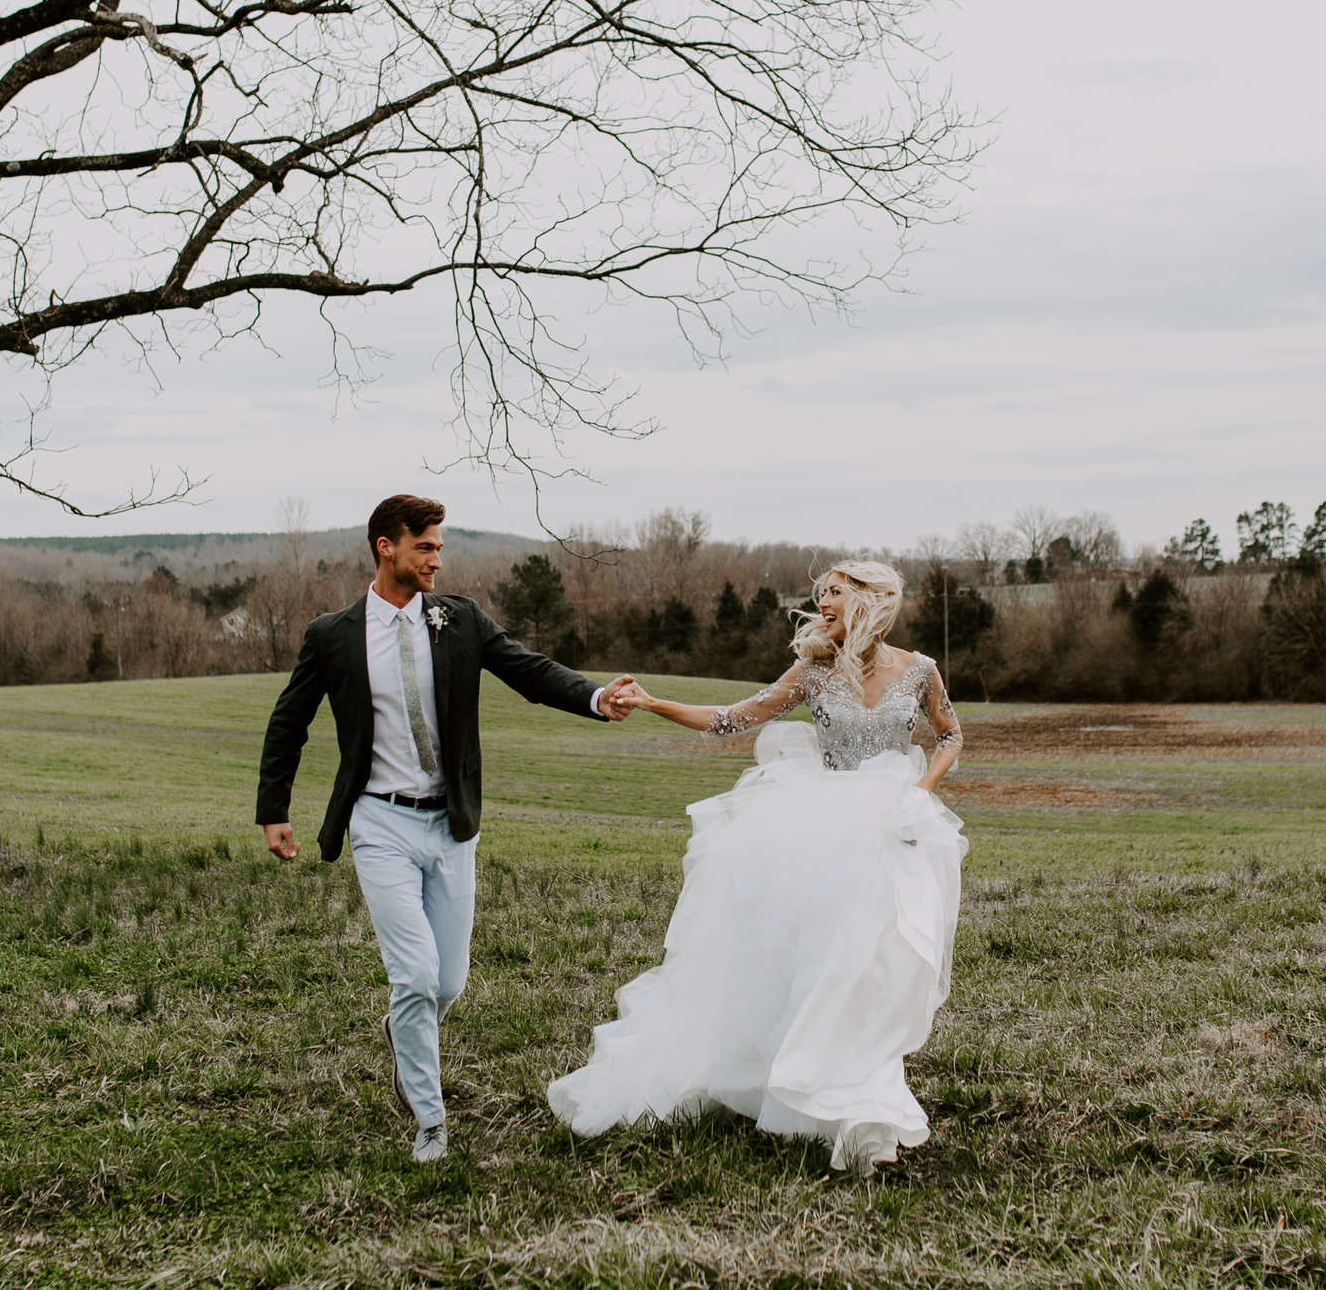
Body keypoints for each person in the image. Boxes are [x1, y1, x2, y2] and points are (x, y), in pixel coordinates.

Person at [547, 560, 967, 1173]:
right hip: (823, 831)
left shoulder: (921, 669)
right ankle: (828, 1102)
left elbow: (951, 735)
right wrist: (653, 701)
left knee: (876, 965)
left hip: (892, 829)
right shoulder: (815, 671)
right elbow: (732, 719)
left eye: (835, 596)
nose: (822, 604)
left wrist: (920, 792)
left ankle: (861, 1102)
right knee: (831, 960)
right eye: (820, 595)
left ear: (872, 602)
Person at [255, 494, 635, 1163]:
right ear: (386, 547)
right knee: (416, 974)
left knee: (447, 983)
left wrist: (595, 697)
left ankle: (404, 1031)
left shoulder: (459, 620)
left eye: (439, 546)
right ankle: (430, 1120)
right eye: (425, 545)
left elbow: (529, 671)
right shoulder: (333, 634)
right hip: (380, 822)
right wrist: (274, 808)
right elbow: (290, 719)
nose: (437, 557)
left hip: (452, 823)